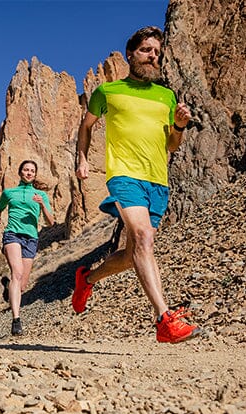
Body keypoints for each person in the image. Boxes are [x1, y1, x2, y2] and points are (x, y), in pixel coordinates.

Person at [70, 25, 199, 343]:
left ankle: (87, 279)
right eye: (145, 50)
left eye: (156, 52)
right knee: (143, 237)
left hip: (157, 181)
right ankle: (164, 319)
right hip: (124, 175)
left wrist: (179, 126)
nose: (152, 56)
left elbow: (172, 145)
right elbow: (86, 126)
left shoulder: (167, 96)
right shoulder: (108, 92)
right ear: (130, 54)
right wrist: (82, 159)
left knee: (133, 255)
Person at [0, 161, 53, 336]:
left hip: (31, 239)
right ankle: (16, 320)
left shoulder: (40, 195)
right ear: (20, 172)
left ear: (35, 175)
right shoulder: (9, 193)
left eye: (32, 171)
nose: (29, 173)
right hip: (12, 235)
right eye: (26, 170)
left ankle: (8, 286)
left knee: (21, 285)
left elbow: (51, 222)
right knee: (17, 272)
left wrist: (42, 205)